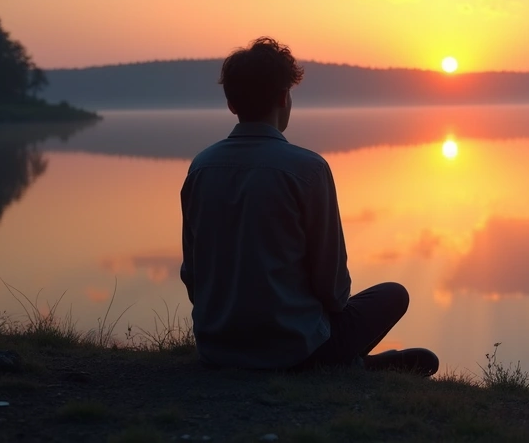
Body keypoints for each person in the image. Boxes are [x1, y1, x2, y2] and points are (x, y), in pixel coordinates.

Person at [179, 37, 438, 375]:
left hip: (217, 349)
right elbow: (333, 290)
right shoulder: (308, 170)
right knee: (394, 295)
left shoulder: (200, 168)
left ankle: (352, 365)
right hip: (292, 350)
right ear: (284, 97)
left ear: (231, 103)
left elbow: (192, 275)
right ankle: (348, 364)